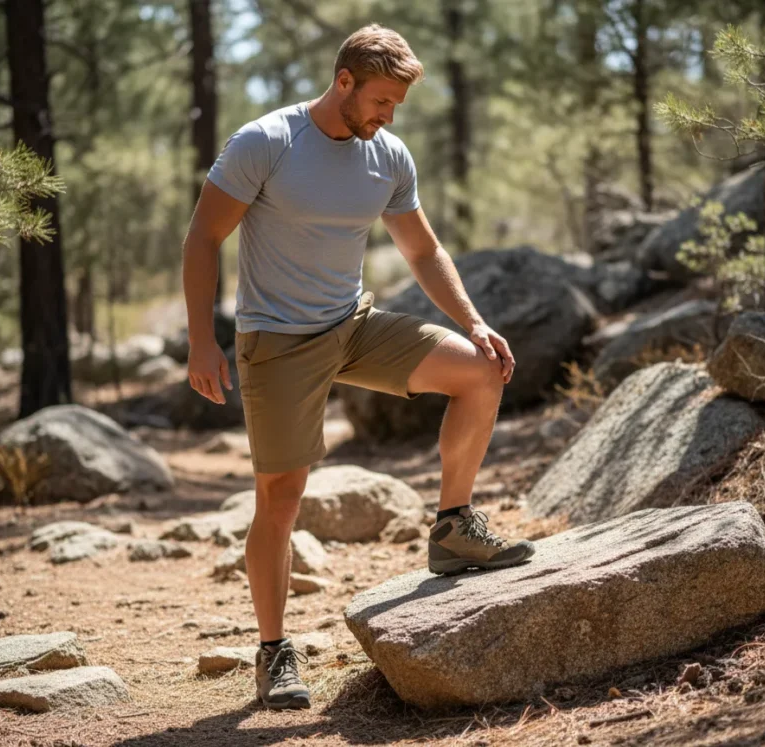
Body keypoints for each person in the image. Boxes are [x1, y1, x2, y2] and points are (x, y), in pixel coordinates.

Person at [181, 23, 535, 711]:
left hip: (354, 325)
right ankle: (273, 651)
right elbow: (203, 236)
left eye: (396, 105)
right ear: (343, 82)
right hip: (277, 340)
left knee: (480, 371)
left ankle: (454, 527)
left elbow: (423, 251)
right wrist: (203, 338)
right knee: (281, 499)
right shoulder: (268, 143)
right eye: (380, 100)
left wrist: (474, 322)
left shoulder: (388, 155)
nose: (388, 115)